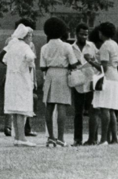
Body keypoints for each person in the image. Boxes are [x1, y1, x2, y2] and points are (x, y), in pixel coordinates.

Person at [38, 17, 80, 147]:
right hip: (62, 74)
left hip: (50, 74)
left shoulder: (44, 47)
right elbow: (73, 64)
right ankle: (60, 138)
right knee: (62, 106)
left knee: (49, 106)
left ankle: (51, 137)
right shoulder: (66, 46)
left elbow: (42, 67)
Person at [2, 23, 37, 146]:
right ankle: (21, 138)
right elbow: (30, 57)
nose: (31, 38)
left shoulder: (12, 46)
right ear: (26, 36)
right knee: (22, 108)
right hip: (22, 79)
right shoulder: (25, 47)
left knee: (16, 108)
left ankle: (17, 136)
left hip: (11, 80)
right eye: (30, 36)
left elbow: (4, 59)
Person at [92, 21, 118, 144]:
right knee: (111, 109)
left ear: (101, 32)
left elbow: (104, 67)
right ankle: (114, 138)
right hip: (115, 77)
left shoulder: (105, 45)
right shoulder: (115, 44)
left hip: (107, 78)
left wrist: (90, 61)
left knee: (104, 108)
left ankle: (104, 138)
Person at [71, 22, 99, 145]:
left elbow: (97, 62)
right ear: (76, 34)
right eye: (82, 34)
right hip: (77, 82)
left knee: (92, 111)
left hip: (90, 80)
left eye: (86, 35)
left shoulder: (92, 46)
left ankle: (93, 138)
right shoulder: (71, 48)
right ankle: (78, 139)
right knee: (78, 112)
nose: (84, 37)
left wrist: (91, 61)